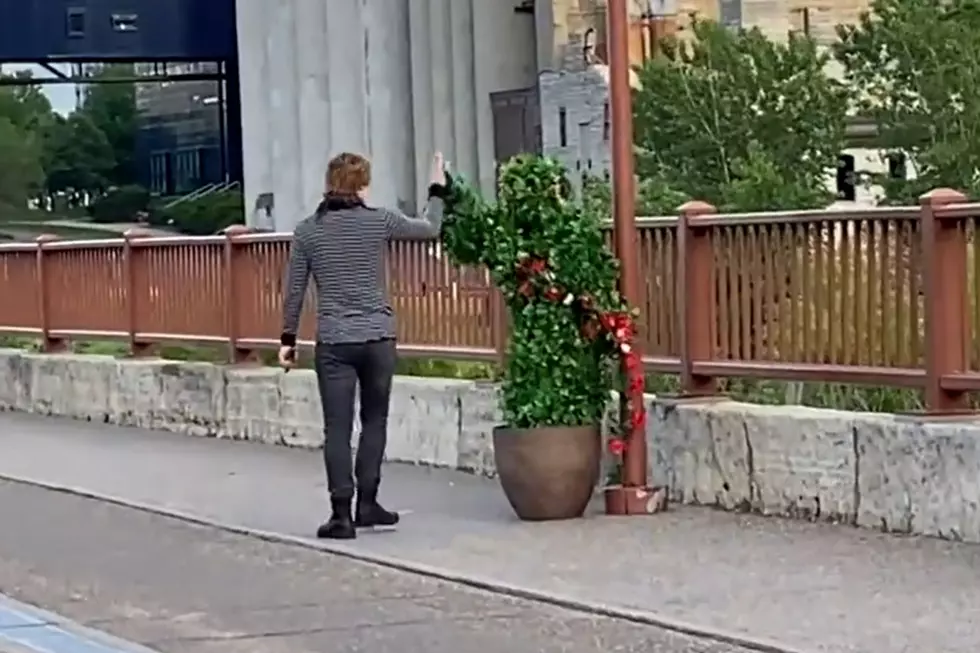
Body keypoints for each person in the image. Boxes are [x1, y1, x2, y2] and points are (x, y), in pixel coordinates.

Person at [278, 151, 449, 539]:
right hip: (378, 338)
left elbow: (294, 293)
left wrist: (288, 339)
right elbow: (430, 228)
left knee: (337, 429)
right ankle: (368, 504)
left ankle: (341, 516)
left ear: (329, 184)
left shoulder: (307, 231)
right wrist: (437, 186)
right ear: (364, 186)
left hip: (335, 341)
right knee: (375, 421)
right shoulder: (380, 221)